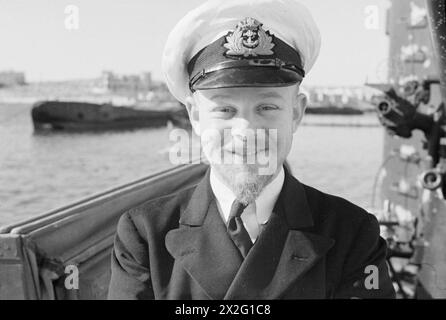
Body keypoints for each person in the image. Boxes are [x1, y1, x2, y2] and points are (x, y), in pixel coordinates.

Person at [108, 0, 395, 299]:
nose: (245, 133)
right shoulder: (145, 235)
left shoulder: (353, 234)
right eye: (225, 109)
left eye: (267, 107)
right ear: (194, 116)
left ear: (296, 113)